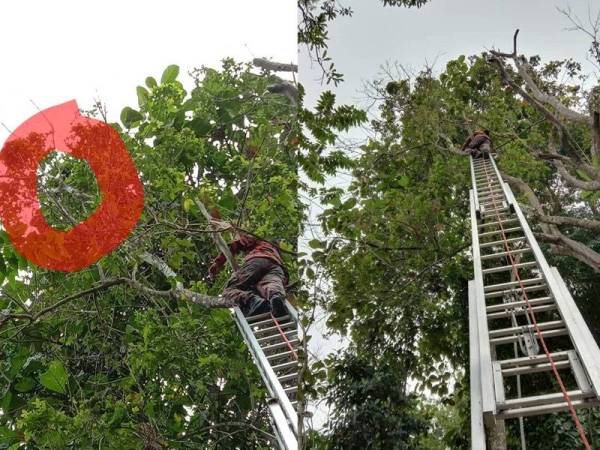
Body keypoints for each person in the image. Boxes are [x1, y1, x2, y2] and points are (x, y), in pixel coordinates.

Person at [209, 232, 289, 317]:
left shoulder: (260, 242)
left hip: (257, 260)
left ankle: (253, 301)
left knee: (230, 290)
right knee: (271, 287)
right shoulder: (276, 253)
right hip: (277, 267)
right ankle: (275, 298)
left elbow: (236, 244)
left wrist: (217, 263)